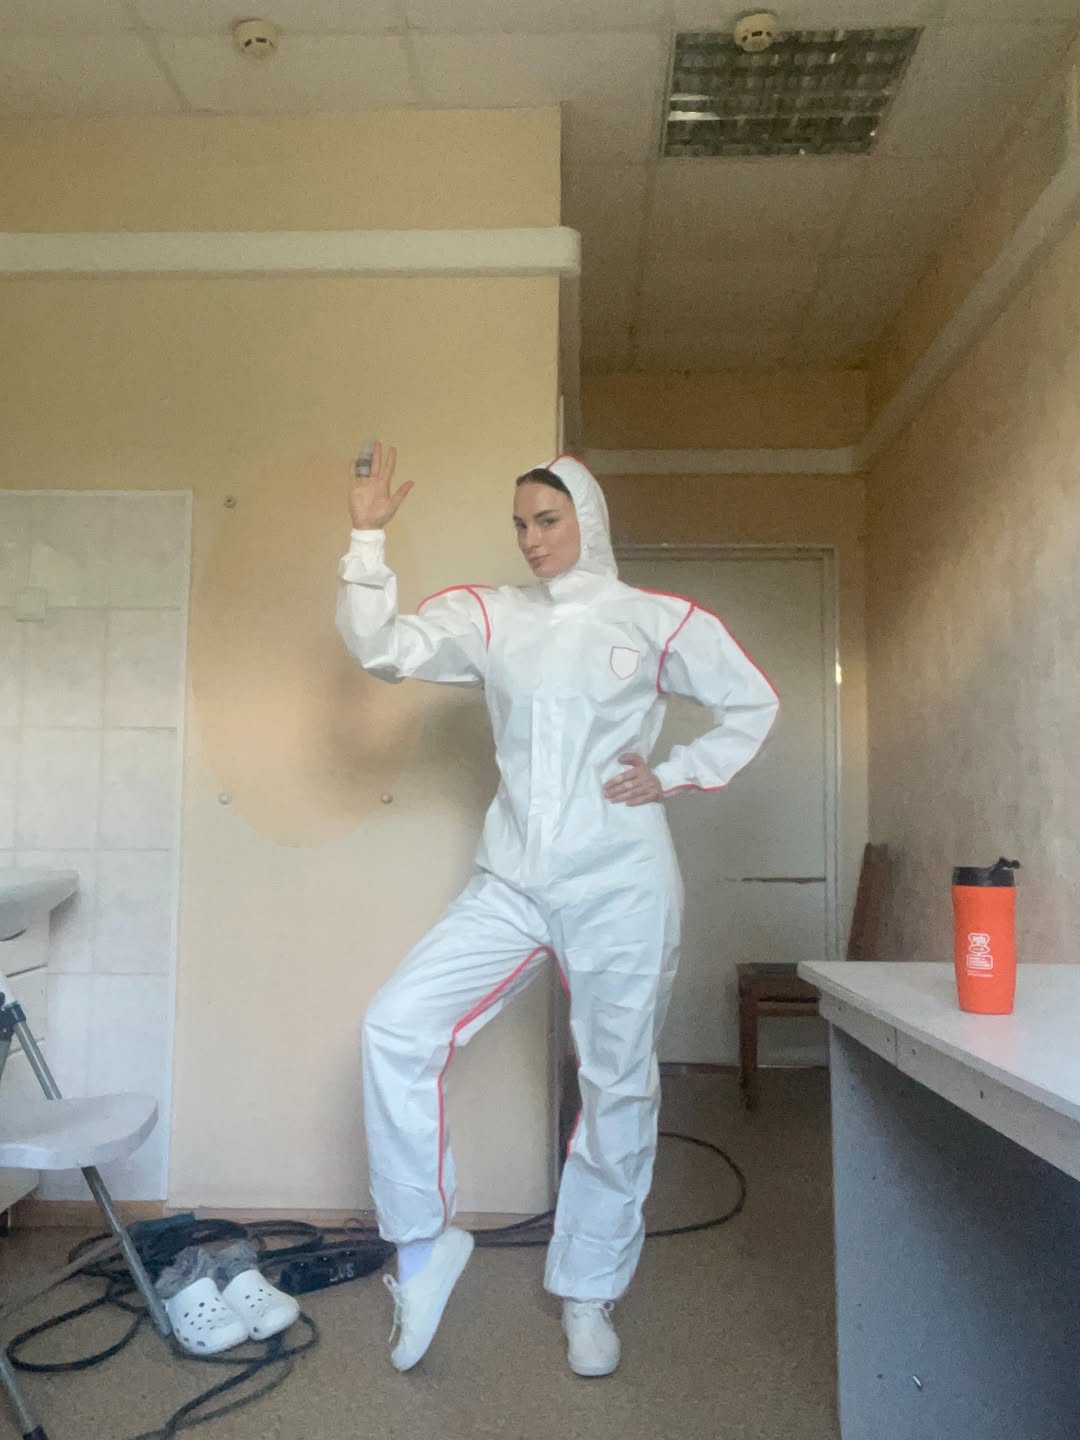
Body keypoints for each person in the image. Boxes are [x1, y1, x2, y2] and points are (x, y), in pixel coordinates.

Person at [336, 443, 779, 1378]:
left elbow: (753, 703)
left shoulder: (655, 620)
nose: (532, 540)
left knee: (617, 1085)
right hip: (513, 880)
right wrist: (366, 539)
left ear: (588, 519)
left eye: (548, 520)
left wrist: (675, 772)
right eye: (520, 525)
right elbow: (383, 650)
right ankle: (422, 1246)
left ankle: (589, 1292)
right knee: (396, 1026)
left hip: (620, 882)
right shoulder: (492, 617)